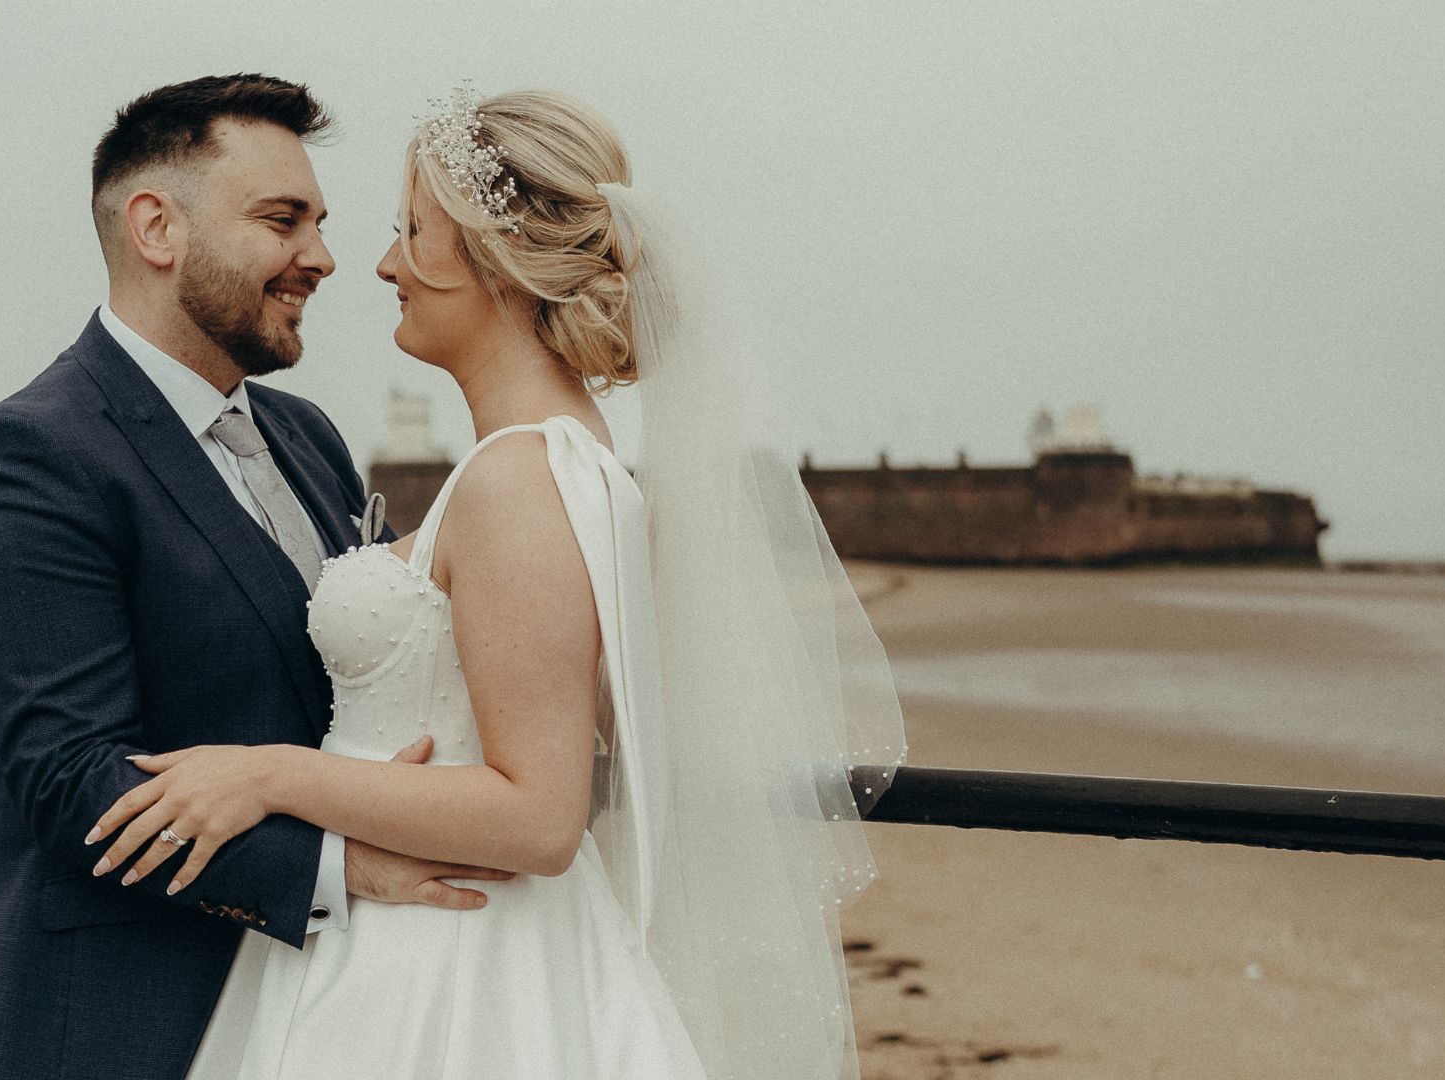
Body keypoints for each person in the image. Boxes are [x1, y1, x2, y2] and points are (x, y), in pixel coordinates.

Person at [86, 86, 909, 1079]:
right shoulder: (557, 458)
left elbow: (541, 817)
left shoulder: (520, 477)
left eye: (411, 232)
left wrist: (267, 774)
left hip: (448, 966)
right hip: (417, 930)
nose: (383, 264)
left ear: (496, 257)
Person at [0, 74, 515, 1080]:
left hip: (326, 1014)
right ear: (157, 228)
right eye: (283, 221)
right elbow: (73, 782)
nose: (322, 258)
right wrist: (347, 867)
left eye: (320, 224)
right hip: (125, 1026)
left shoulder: (306, 437)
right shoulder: (30, 454)